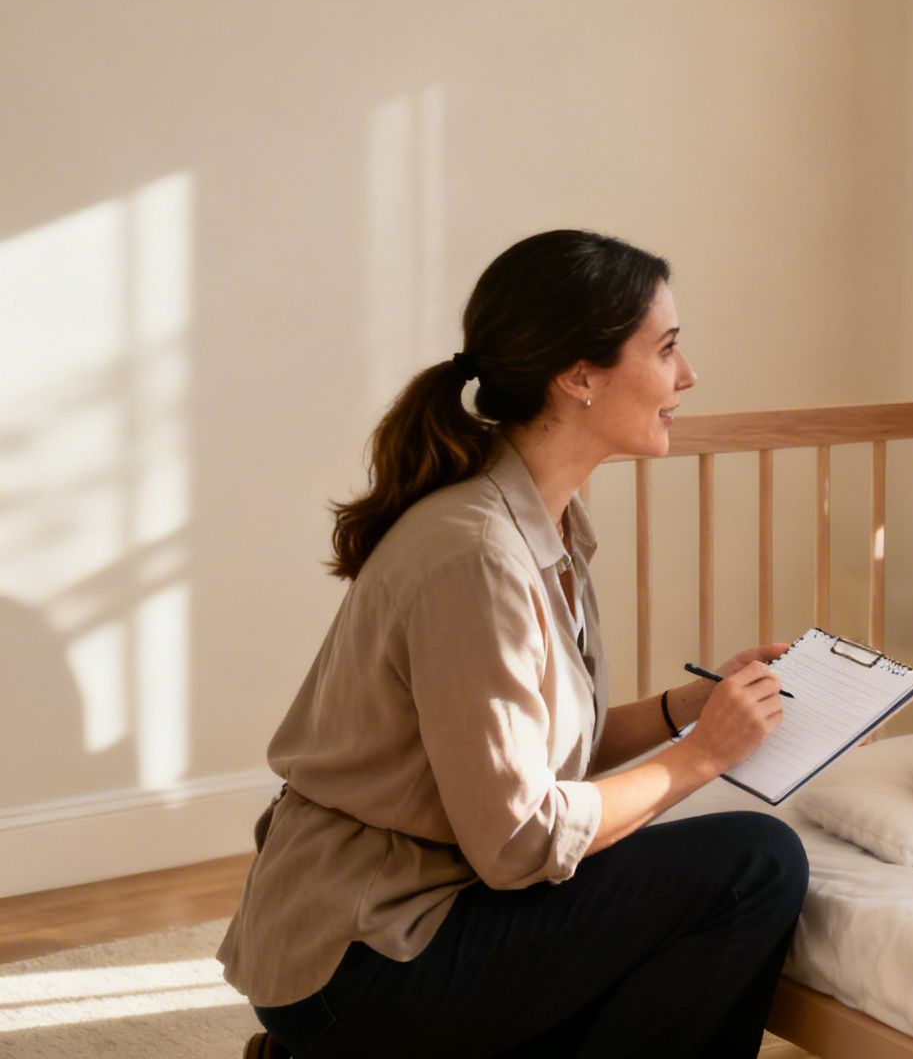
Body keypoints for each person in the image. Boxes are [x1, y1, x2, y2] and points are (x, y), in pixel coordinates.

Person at [219, 230, 808, 1059]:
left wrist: (686, 711)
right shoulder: (476, 554)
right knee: (754, 861)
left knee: (684, 882)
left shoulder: (544, 522)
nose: (687, 376)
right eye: (667, 348)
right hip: (367, 957)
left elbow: (519, 752)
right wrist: (700, 757)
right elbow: (519, 840)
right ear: (578, 376)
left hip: (429, 908)